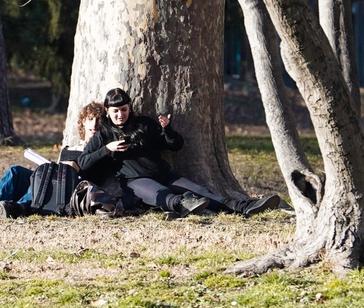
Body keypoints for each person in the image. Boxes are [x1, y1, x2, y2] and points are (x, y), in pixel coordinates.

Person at [77, 88, 282, 218]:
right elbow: (83, 162)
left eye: (124, 109)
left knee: (203, 192)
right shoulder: (102, 135)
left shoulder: (145, 125)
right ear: (107, 111)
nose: (120, 114)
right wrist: (106, 150)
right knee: (163, 196)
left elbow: (175, 145)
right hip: (135, 181)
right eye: (115, 111)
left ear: (130, 107)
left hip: (163, 174)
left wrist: (167, 130)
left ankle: (245, 206)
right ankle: (186, 206)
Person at [0, 102, 103, 218]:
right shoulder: (68, 149)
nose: (95, 124)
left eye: (99, 120)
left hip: (69, 190)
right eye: (91, 119)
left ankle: (17, 207)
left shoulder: (100, 151)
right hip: (54, 182)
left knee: (46, 179)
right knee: (16, 171)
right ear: (83, 121)